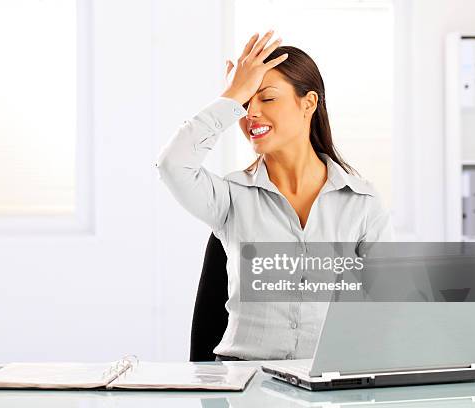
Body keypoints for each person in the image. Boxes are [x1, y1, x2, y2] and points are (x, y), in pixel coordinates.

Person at [156, 30, 394, 361]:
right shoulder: (231, 197)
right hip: (244, 383)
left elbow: (387, 312)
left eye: (266, 98)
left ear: (308, 103)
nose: (250, 113)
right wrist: (231, 96)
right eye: (244, 103)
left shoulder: (362, 203)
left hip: (329, 382)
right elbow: (173, 164)